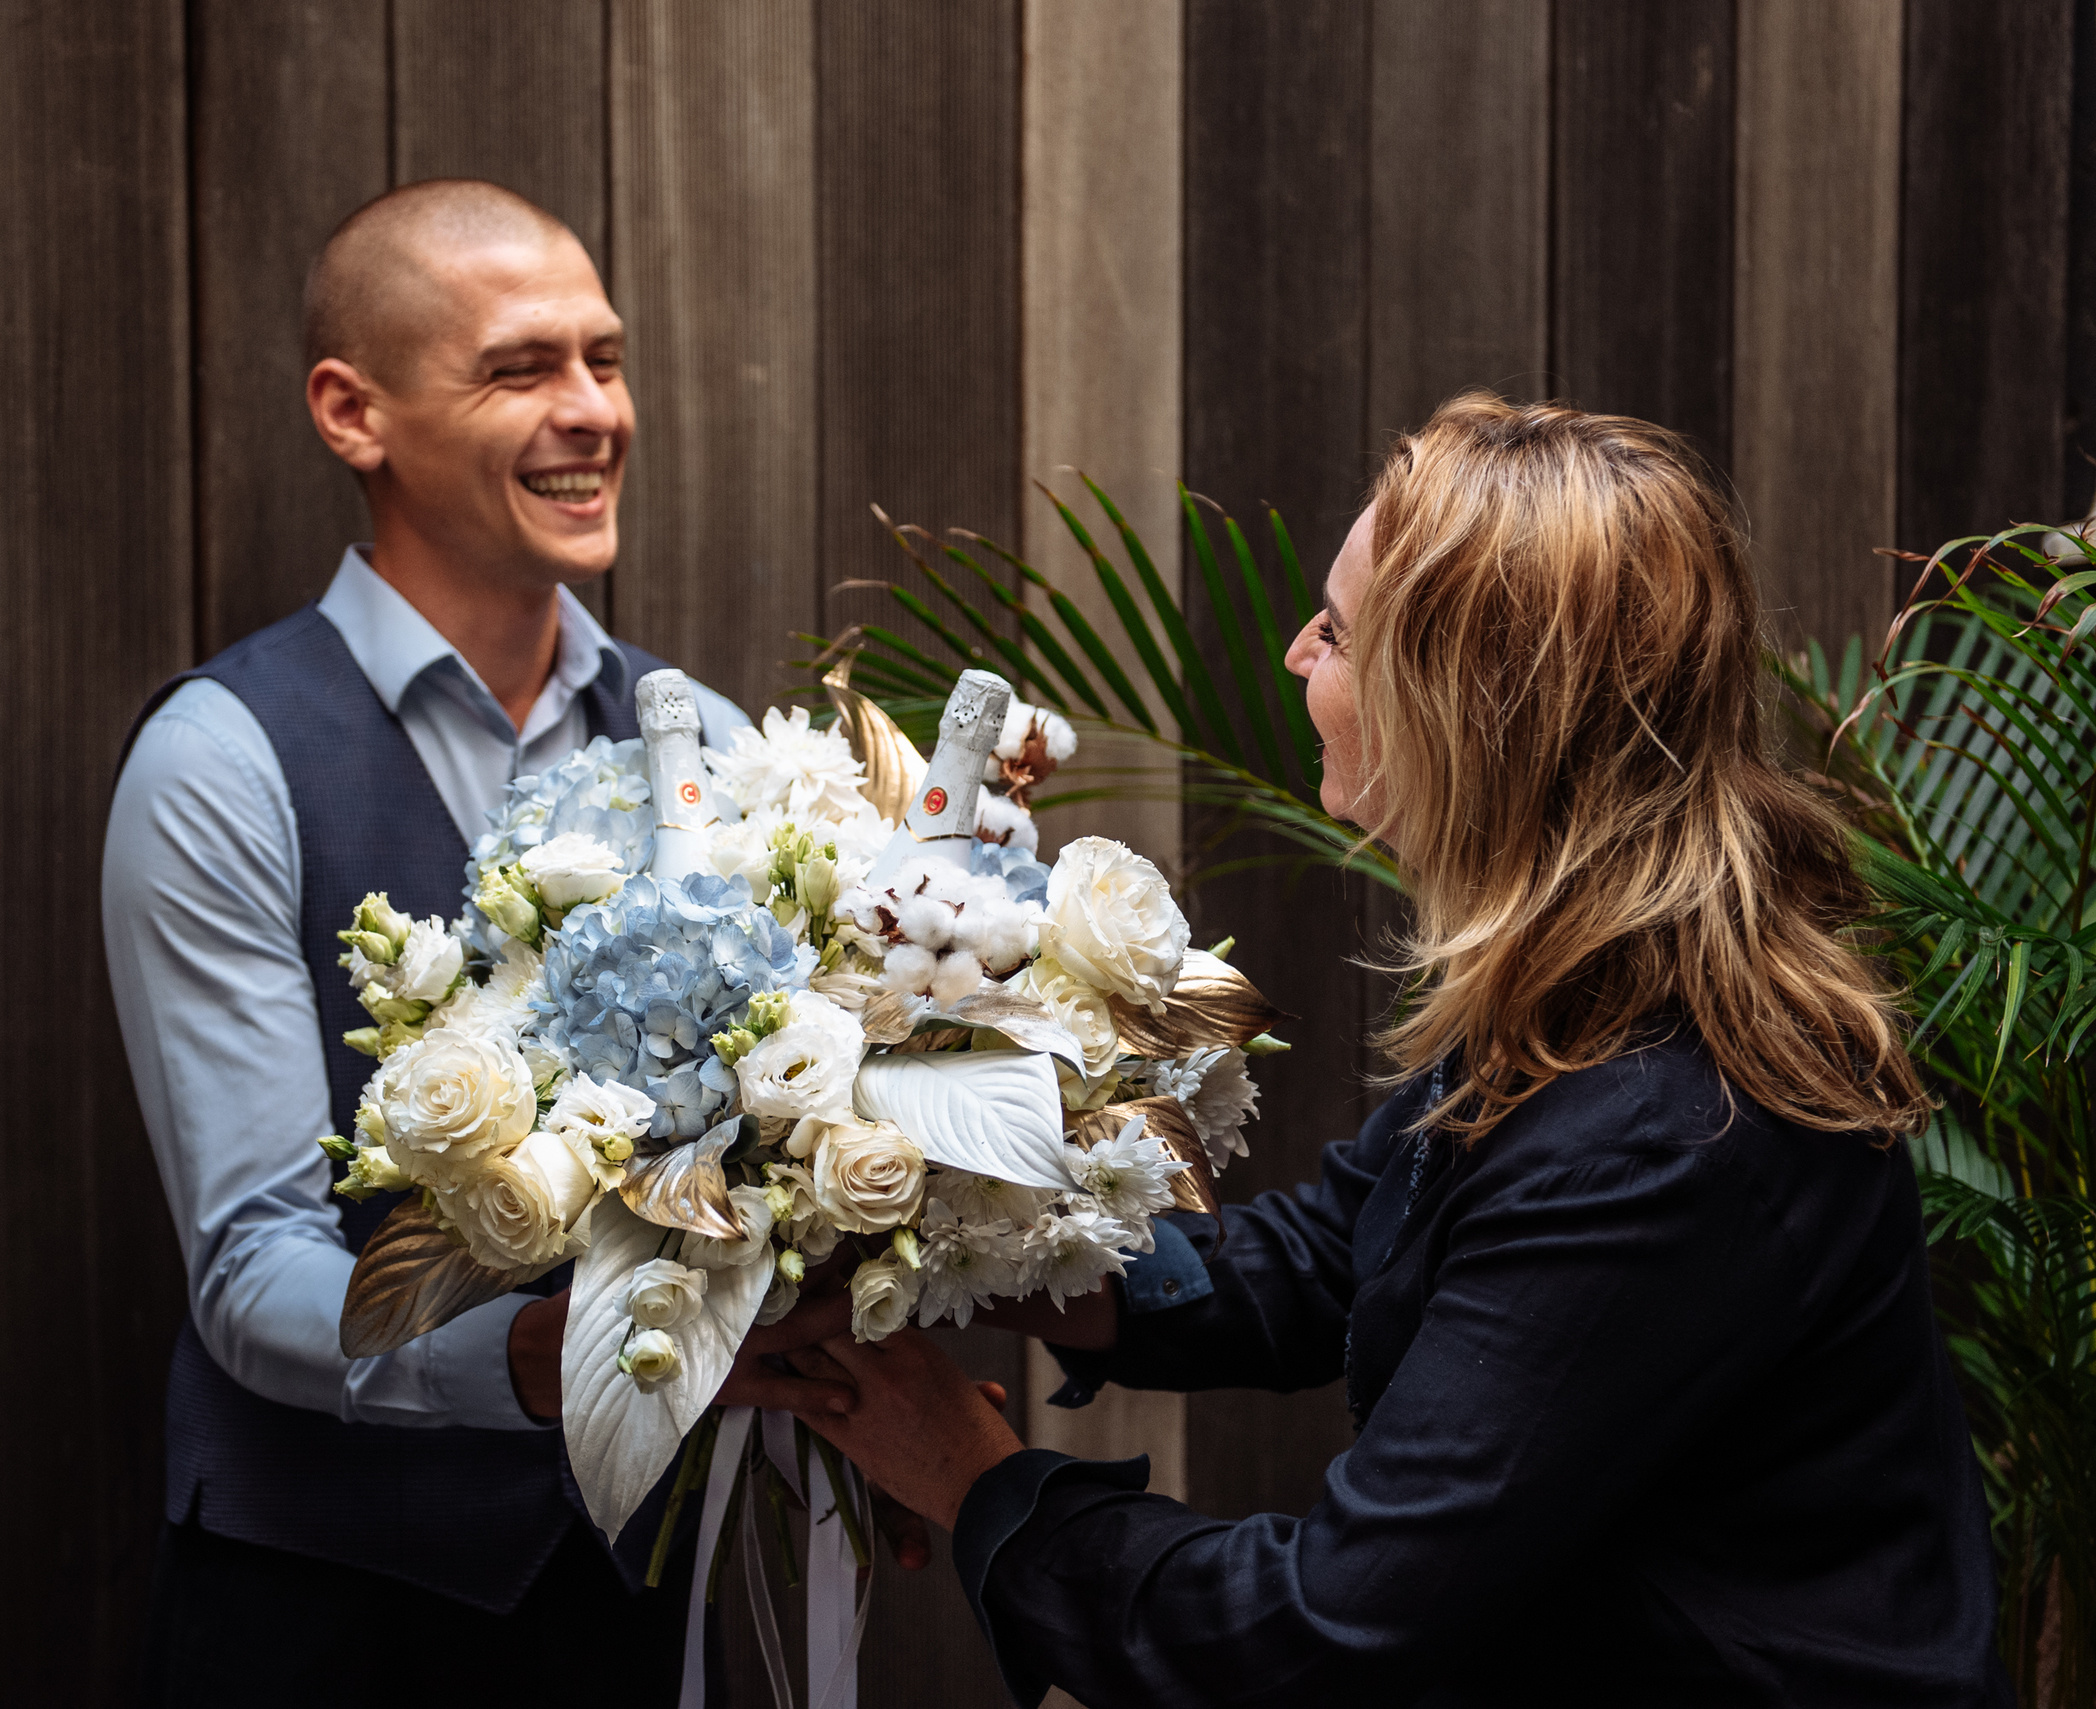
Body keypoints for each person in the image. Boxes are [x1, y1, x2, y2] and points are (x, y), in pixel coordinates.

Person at [783, 395, 2011, 1707]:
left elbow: (1323, 1630)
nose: (1300, 654)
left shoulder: (1663, 1130)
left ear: (1465, 710)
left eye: (1342, 632)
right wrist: (971, 1249)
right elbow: (1329, 1254)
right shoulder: (1597, 977)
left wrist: (978, 1478)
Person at [103, 179, 847, 1707]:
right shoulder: (222, 760)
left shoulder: (696, 740)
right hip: (326, 1619)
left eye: (606, 359)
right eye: (521, 370)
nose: (592, 413)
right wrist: (524, 1360)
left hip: (636, 1599)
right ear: (351, 413)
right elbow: (252, 1268)